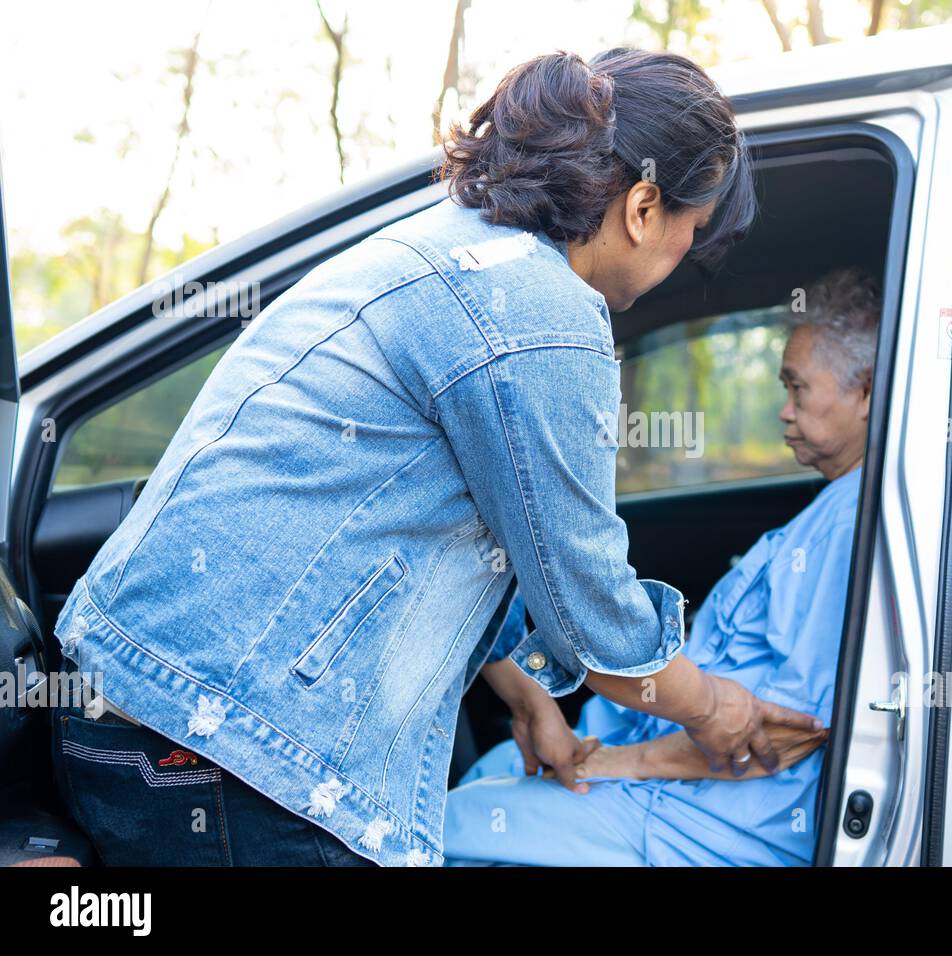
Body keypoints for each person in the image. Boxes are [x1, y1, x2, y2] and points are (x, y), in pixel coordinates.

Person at [50, 48, 823, 867]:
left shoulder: (445, 246)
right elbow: (590, 605)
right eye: (689, 232)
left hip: (136, 709)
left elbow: (417, 511)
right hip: (237, 752)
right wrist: (713, 710)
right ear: (641, 206)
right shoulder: (544, 312)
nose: (679, 261)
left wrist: (526, 695)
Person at [443, 268, 881, 866]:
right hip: (672, 768)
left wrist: (615, 764)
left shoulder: (848, 523)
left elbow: (797, 728)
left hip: (710, 811)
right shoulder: (833, 507)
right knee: (491, 775)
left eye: (797, 389)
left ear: (865, 393)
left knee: (449, 829)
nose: (783, 411)